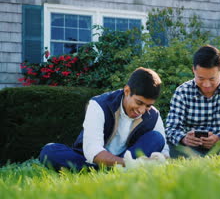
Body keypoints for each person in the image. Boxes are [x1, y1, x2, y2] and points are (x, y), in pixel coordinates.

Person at [39, 67, 169, 171]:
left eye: (148, 105)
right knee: (49, 151)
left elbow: (164, 152)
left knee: (156, 137)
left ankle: (105, 170)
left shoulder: (153, 115)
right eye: (139, 103)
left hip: (129, 156)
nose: (141, 110)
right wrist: (129, 164)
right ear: (127, 91)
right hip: (92, 160)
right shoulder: (99, 105)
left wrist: (158, 159)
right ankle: (118, 169)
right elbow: (93, 151)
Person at [166, 45, 220, 157]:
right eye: (200, 78)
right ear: (193, 70)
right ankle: (200, 162)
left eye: (212, 79)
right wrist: (183, 138)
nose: (206, 85)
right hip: (191, 150)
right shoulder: (182, 91)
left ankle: (201, 163)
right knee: (170, 145)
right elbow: (171, 128)